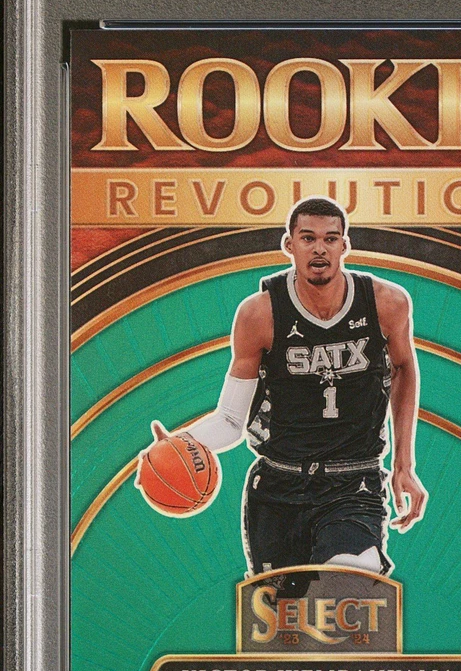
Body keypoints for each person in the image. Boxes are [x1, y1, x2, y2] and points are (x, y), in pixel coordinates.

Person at [150, 196, 427, 577]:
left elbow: (403, 368)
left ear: (344, 246)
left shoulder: (386, 303)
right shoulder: (259, 314)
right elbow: (230, 419)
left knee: (347, 582)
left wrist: (403, 464)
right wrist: (180, 444)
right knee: (282, 613)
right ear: (289, 245)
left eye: (330, 239)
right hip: (278, 485)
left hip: (353, 481)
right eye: (308, 238)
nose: (319, 248)